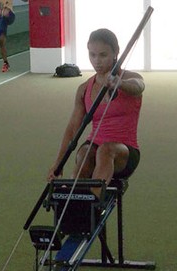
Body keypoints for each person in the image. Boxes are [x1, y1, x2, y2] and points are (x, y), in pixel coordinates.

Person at [47, 29, 144, 193]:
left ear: (115, 53)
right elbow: (72, 130)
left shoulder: (130, 78)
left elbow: (139, 86)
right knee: (85, 152)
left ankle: (93, 203)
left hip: (125, 151)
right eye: (92, 55)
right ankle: (74, 201)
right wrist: (58, 162)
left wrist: (119, 83)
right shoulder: (84, 89)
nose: (97, 61)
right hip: (94, 146)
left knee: (105, 150)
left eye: (103, 55)